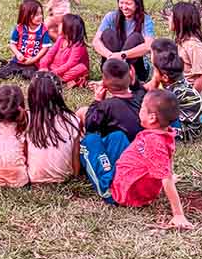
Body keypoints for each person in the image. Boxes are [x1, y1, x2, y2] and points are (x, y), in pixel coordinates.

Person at [82, 90, 193, 228]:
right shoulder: (166, 133)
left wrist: (178, 215)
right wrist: (170, 173)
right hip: (127, 175)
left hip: (118, 191)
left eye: (142, 109)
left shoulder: (154, 142)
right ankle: (103, 154)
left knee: (89, 141)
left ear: (152, 118)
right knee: (117, 136)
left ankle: (100, 177)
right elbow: (167, 158)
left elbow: (166, 179)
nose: (139, 111)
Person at [25, 72, 82, 184]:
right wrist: (76, 176)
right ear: (59, 94)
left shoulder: (27, 119)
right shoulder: (72, 119)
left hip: (33, 177)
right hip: (65, 176)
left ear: (31, 96)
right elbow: (75, 154)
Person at [92, 0, 156, 82]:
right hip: (111, 64)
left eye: (128, 4)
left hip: (135, 70)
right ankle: (113, 75)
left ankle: (116, 77)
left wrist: (122, 55)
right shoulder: (111, 17)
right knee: (108, 34)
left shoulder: (146, 20)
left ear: (137, 4)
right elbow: (96, 41)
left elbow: (148, 46)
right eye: (121, 3)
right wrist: (110, 55)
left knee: (136, 37)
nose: (124, 7)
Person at [146, 39, 202, 141]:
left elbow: (153, 104)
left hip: (187, 130)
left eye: (155, 70)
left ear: (165, 77)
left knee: (153, 118)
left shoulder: (174, 93)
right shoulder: (177, 82)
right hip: (188, 121)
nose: (153, 74)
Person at [78, 58, 146, 143]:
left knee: (81, 112)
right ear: (130, 76)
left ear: (104, 81)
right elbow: (139, 88)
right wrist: (134, 81)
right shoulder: (140, 96)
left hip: (118, 147)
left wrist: (97, 100)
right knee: (84, 110)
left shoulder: (107, 106)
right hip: (140, 143)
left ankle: (81, 144)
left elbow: (90, 124)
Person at [0, 0, 52, 80]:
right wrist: (18, 54)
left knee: (29, 76)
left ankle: (20, 71)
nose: (40, 16)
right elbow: (12, 44)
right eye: (36, 15)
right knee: (2, 74)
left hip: (33, 62)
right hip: (18, 61)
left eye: (41, 14)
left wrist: (34, 59)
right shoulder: (19, 28)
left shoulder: (44, 30)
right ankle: (6, 65)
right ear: (25, 15)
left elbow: (45, 48)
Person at [169, 2, 202, 96]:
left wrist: (191, 97)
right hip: (177, 87)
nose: (169, 19)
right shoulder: (181, 41)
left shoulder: (194, 46)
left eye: (171, 16)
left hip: (187, 92)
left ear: (180, 20)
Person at [38, 13, 90, 88]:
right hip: (57, 67)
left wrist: (52, 73)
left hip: (68, 70)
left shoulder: (78, 46)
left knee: (81, 68)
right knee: (42, 58)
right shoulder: (61, 39)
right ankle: (54, 77)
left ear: (68, 29)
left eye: (60, 24)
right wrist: (44, 65)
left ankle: (59, 79)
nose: (58, 26)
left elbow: (69, 64)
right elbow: (51, 53)